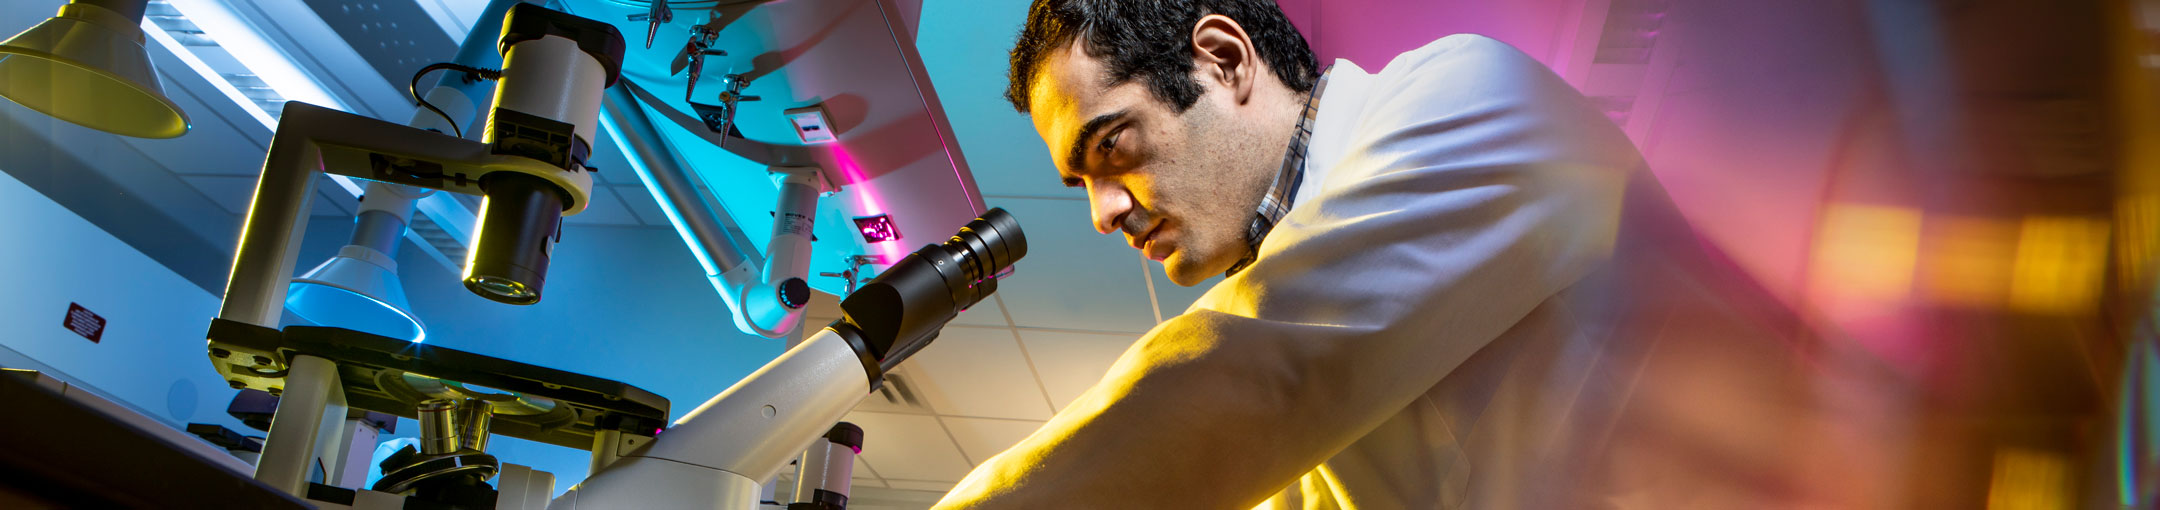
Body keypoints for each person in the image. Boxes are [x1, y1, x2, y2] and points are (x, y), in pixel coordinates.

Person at [935, 1, 1827, 508]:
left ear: (1223, 59)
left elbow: (1261, 377)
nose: (1104, 212)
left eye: (1112, 148)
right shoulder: (1296, 315)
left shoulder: (1467, 95)